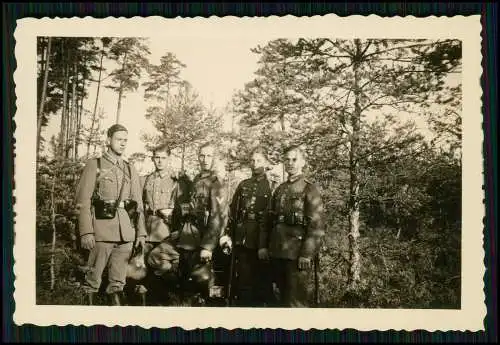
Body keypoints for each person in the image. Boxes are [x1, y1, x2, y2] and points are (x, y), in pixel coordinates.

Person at [75, 124, 147, 306]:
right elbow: (82, 202)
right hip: (101, 232)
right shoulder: (95, 165)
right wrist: (86, 232)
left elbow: (138, 205)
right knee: (92, 282)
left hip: (126, 235)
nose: (123, 143)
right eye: (118, 139)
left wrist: (141, 233)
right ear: (108, 140)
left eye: (125, 140)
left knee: (117, 285)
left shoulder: (130, 169)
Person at [263, 145, 325, 307]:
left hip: (296, 255)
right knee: (278, 302)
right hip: (277, 252)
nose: (290, 163)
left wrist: (307, 254)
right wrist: (263, 246)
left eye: (294, 159)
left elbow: (316, 226)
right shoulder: (280, 189)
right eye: (287, 159)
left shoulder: (309, 189)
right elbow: (268, 221)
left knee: (295, 303)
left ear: (303, 162)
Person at [175, 142, 228, 305]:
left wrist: (208, 246)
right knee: (192, 279)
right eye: (202, 155)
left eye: (209, 156)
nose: (205, 159)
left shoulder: (216, 183)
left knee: (208, 281)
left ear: (215, 158)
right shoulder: (197, 179)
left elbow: (218, 217)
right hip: (192, 236)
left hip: (206, 238)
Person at [224, 147, 275, 307]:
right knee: (244, 279)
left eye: (259, 160)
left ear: (266, 163)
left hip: (262, 239)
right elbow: (232, 212)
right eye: (252, 161)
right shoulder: (243, 185)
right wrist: (229, 235)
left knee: (263, 280)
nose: (255, 164)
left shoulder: (272, 186)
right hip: (243, 237)